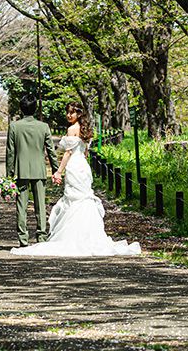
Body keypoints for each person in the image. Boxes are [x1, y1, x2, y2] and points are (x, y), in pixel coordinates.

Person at [11, 102, 141, 257]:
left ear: (79, 114)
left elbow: (67, 153)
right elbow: (85, 152)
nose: (68, 115)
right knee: (84, 199)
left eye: (71, 112)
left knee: (74, 200)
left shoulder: (72, 129)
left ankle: (72, 236)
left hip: (74, 167)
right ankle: (89, 235)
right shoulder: (86, 130)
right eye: (67, 112)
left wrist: (58, 171)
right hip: (84, 168)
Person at [5, 94, 59, 247]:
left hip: (21, 171)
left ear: (21, 109)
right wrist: (56, 170)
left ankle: (23, 238)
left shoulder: (14, 126)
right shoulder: (44, 127)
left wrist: (9, 175)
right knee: (40, 205)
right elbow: (50, 151)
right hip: (39, 170)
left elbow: (10, 152)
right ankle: (41, 236)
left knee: (21, 206)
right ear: (35, 109)